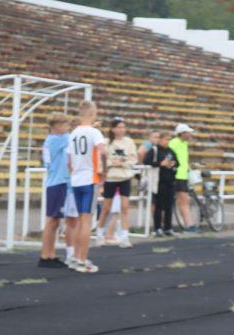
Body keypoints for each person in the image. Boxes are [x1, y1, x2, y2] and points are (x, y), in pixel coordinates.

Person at [67, 101, 105, 273]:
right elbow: (103, 151)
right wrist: (103, 170)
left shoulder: (74, 132)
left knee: (79, 221)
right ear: (92, 113)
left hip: (76, 179)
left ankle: (76, 257)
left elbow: (69, 162)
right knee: (86, 221)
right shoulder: (95, 132)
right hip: (90, 178)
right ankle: (82, 260)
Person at [96, 117, 137, 248]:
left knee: (125, 207)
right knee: (106, 208)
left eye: (123, 127)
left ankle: (124, 236)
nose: (121, 130)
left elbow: (133, 158)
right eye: (118, 127)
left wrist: (123, 163)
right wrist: (112, 163)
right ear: (113, 129)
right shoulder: (106, 142)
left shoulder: (129, 142)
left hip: (124, 177)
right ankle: (99, 234)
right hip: (111, 178)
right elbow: (101, 159)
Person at [38, 113, 70, 268]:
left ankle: (50, 254)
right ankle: (45, 255)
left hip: (56, 182)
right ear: (55, 126)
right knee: (52, 220)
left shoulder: (53, 140)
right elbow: (76, 137)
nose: (67, 127)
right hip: (58, 182)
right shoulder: (57, 140)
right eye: (64, 124)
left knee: (55, 220)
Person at [144, 131, 177, 237]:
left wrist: (172, 164)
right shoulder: (154, 150)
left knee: (169, 206)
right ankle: (157, 228)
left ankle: (168, 227)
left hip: (170, 181)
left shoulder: (170, 150)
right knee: (158, 206)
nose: (168, 141)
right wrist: (160, 164)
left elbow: (177, 162)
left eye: (169, 139)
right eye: (166, 139)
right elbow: (146, 162)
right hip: (159, 182)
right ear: (161, 139)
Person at [167, 123, 198, 233]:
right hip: (176, 176)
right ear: (182, 133)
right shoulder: (173, 143)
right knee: (182, 201)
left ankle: (188, 225)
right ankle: (189, 225)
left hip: (183, 176)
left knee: (183, 201)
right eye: (188, 132)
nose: (190, 134)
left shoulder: (184, 144)